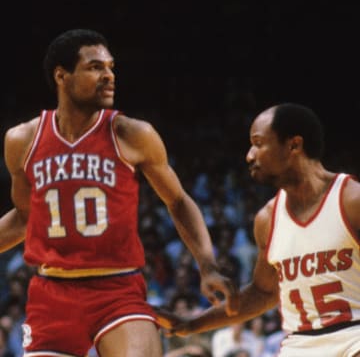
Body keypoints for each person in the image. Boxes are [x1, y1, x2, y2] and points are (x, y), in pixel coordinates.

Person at [0, 28, 239, 357]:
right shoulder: (22, 141)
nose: (109, 76)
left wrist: (208, 265)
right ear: (61, 75)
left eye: (111, 67)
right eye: (95, 67)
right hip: (51, 293)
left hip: (118, 287)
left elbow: (178, 201)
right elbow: (26, 217)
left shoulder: (132, 134)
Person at [157, 103, 360, 356]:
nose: (249, 155)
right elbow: (263, 293)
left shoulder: (352, 201)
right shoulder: (267, 218)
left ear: (294, 145)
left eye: (258, 143)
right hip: (301, 344)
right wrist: (192, 324)